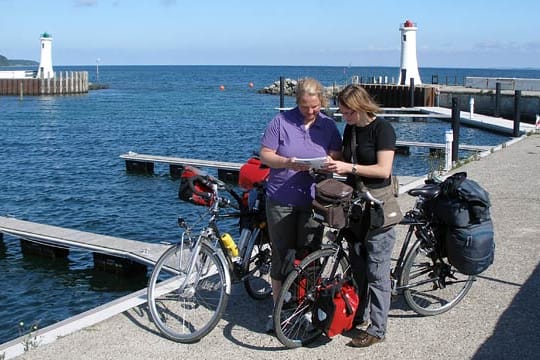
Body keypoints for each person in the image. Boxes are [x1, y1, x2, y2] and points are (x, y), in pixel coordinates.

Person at [259, 77, 342, 332]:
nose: (310, 111)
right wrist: (287, 162)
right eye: (305, 106)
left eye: (315, 106)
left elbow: (337, 154)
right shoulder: (281, 122)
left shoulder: (328, 124)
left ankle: (305, 306)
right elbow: (265, 154)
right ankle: (279, 309)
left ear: (322, 102)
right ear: (298, 102)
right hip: (281, 198)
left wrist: (328, 162)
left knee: (310, 254)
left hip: (314, 199)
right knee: (281, 254)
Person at [325, 84, 398, 347]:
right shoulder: (351, 129)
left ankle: (378, 330)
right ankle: (359, 313)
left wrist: (349, 165)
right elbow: (346, 164)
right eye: (342, 113)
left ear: (361, 107)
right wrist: (333, 163)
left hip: (379, 208)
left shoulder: (383, 129)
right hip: (356, 207)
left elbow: (383, 170)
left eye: (348, 113)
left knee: (377, 271)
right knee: (357, 268)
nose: (345, 117)